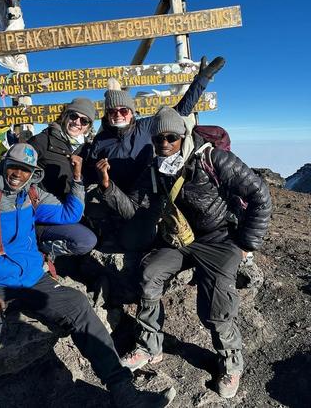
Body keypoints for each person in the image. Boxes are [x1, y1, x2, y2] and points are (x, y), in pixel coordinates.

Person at [0, 143, 176, 408]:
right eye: (13, 167)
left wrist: (77, 179)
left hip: (32, 280)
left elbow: (69, 213)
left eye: (25, 170)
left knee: (77, 305)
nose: (18, 174)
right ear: (3, 165)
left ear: (33, 173)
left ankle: (124, 392)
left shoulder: (31, 195)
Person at [95, 107, 272, 399]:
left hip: (219, 239)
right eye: (158, 138)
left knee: (214, 307)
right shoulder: (154, 168)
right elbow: (135, 210)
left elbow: (260, 195)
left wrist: (245, 244)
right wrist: (107, 187)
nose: (164, 143)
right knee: (150, 274)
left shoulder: (212, 159)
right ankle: (150, 346)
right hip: (181, 239)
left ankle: (231, 361)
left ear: (183, 137)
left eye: (171, 137)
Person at [84, 56, 226, 251]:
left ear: (132, 112)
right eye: (113, 111)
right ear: (107, 115)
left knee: (141, 241)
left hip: (151, 193)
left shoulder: (146, 126)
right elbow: (91, 172)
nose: (118, 114)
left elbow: (180, 110)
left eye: (124, 110)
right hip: (118, 199)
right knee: (128, 242)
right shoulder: (100, 141)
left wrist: (203, 79)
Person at [0, 98, 98, 260]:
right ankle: (33, 242)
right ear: (65, 116)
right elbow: (11, 164)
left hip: (63, 208)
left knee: (92, 233)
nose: (77, 122)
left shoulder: (85, 149)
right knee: (83, 239)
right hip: (39, 209)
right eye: (73, 116)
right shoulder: (42, 141)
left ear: (88, 127)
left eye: (84, 121)